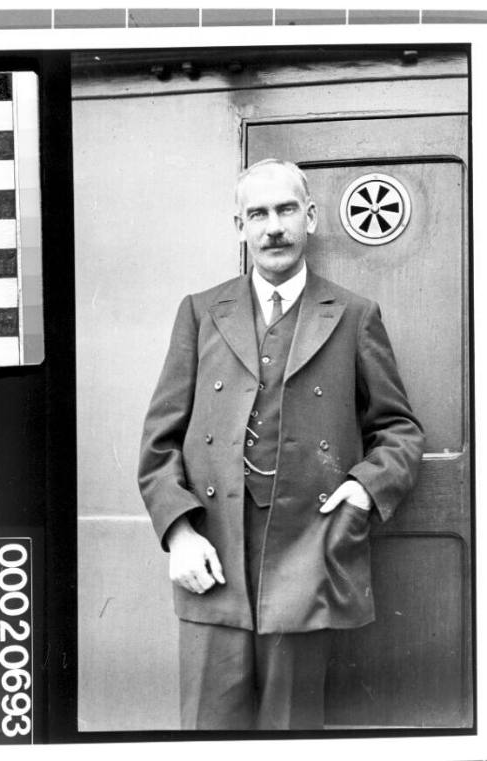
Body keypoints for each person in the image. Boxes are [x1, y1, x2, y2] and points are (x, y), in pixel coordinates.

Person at [138, 158, 424, 730]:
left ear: (311, 217)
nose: (273, 227)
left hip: (306, 555)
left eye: (286, 210)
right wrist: (179, 532)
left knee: (290, 734)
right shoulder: (199, 312)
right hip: (212, 555)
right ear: (239, 226)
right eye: (258, 214)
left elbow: (399, 430)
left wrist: (365, 491)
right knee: (207, 731)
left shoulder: (354, 315)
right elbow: (158, 443)